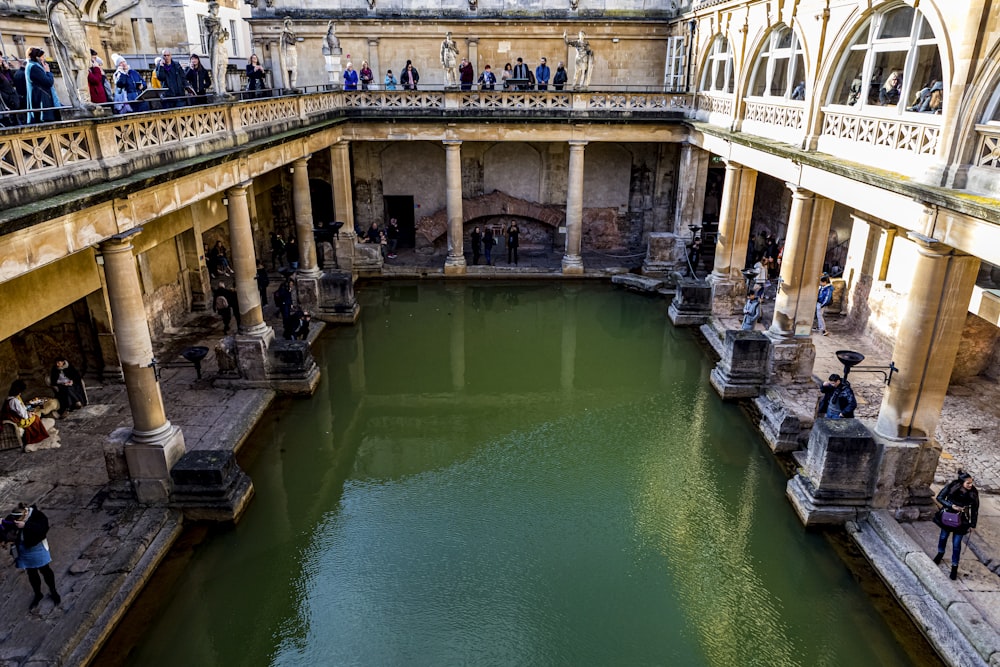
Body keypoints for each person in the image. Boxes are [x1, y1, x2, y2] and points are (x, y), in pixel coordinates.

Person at [6, 503, 61, 610]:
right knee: (31, 573)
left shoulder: (38, 516)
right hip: (23, 550)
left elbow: (42, 530)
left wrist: (26, 526)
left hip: (37, 548)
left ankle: (53, 591)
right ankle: (38, 594)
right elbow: (7, 526)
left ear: (26, 512)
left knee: (45, 570)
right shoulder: (15, 516)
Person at [932, 471, 979, 580]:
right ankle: (940, 553)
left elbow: (975, 510)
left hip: (962, 521)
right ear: (962, 482)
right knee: (943, 537)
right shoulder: (952, 487)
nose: (970, 485)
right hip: (948, 517)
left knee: (957, 544)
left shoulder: (973, 493)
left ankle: (954, 566)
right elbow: (940, 497)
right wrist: (951, 505)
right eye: (968, 483)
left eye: (971, 483)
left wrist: (973, 524)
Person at [2, 381, 51, 446]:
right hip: (18, 421)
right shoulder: (14, 401)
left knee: (33, 413)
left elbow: (20, 410)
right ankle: (34, 437)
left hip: (15, 417)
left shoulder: (9, 398)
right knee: (36, 418)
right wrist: (29, 414)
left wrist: (27, 411)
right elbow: (24, 416)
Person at [25, 47, 60, 124]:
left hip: (42, 101)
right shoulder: (34, 67)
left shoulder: (32, 66)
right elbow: (48, 82)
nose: (44, 59)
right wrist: (48, 72)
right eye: (42, 57)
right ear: (37, 57)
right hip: (42, 103)